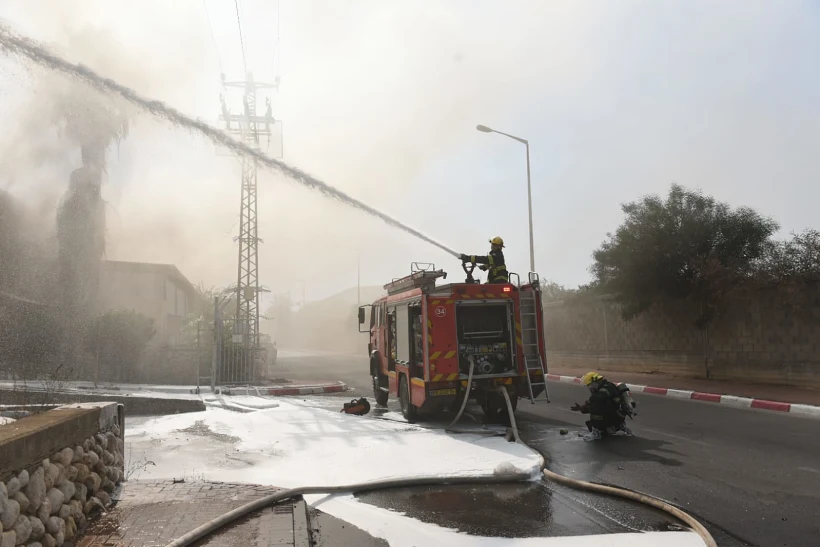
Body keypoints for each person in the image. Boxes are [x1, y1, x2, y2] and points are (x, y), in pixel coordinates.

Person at [570, 371, 633, 441]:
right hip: (619, 415)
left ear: (594, 383)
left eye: (589, 385)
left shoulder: (603, 391)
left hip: (613, 415)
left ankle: (596, 433)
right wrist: (582, 408)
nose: (589, 388)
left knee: (595, 412)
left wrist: (586, 406)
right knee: (594, 417)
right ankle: (619, 426)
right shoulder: (608, 385)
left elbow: (596, 403)